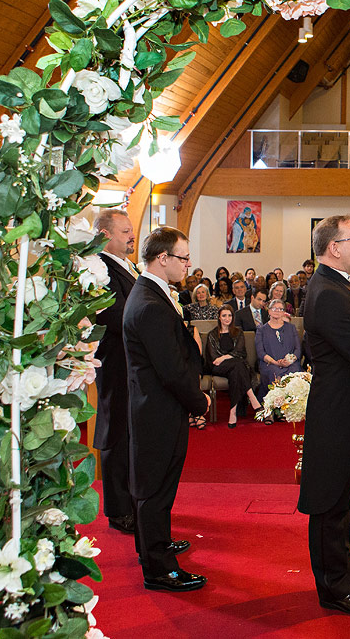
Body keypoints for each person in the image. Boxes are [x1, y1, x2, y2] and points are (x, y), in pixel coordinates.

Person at [123, 226, 211, 593]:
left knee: (158, 486)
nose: (188, 264)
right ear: (163, 258)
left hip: (157, 406)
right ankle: (159, 568)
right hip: (157, 409)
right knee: (155, 489)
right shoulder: (149, 304)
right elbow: (171, 369)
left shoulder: (152, 294)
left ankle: (154, 545)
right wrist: (199, 401)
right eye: (183, 257)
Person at [298, 215, 350, 615]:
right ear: (333, 248)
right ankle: (332, 586)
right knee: (328, 500)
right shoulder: (328, 292)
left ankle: (343, 568)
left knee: (340, 498)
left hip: (345, 406)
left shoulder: (339, 286)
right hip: (336, 410)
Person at [93, 208, 139, 534]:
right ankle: (118, 508)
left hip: (132, 362)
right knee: (116, 434)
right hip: (116, 361)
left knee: (131, 436)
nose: (132, 236)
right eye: (125, 232)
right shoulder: (99, 269)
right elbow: (116, 313)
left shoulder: (127, 266)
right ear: (106, 234)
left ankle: (134, 502)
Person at [204, 305, 259, 428]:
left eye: (229, 315)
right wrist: (224, 359)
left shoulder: (238, 333)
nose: (227, 318)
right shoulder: (212, 334)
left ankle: (232, 412)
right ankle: (252, 396)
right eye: (224, 315)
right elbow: (214, 358)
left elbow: (240, 352)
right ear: (219, 317)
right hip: (218, 368)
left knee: (236, 370)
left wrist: (223, 357)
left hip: (234, 366)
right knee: (238, 365)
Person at [255, 299, 302, 420]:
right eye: (274, 308)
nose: (277, 311)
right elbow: (261, 352)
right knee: (274, 372)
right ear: (269, 311)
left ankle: (287, 410)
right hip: (269, 363)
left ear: (283, 312)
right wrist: (276, 362)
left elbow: (298, 349)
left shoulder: (291, 328)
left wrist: (290, 360)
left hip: (290, 363)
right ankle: (272, 410)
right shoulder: (261, 329)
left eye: (280, 309)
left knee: (295, 371)